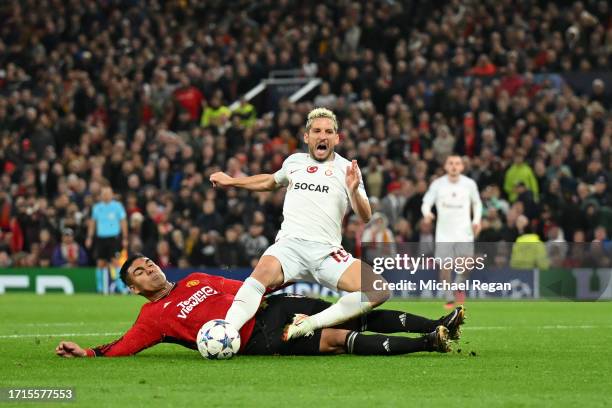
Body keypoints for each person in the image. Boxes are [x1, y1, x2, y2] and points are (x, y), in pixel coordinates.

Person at [55, 255, 465, 358]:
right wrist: (88, 352)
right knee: (340, 339)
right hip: (260, 337)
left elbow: (247, 286)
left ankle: (441, 321)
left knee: (354, 310)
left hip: (274, 307)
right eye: (140, 273)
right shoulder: (152, 319)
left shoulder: (196, 279)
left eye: (150, 263)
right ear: (133, 288)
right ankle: (429, 342)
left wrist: (280, 285)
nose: (151, 270)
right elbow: (124, 345)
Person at [210, 107, 389, 341]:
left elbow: (365, 215)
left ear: (337, 138)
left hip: (327, 252)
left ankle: (310, 323)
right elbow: (270, 181)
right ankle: (225, 332)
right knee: (258, 277)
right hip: (289, 247)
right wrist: (232, 181)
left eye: (328, 131)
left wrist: (354, 190)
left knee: (378, 289)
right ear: (307, 137)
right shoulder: (294, 161)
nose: (322, 136)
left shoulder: (348, 169)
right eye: (316, 131)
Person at [421, 155, 482, 309]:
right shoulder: (438, 184)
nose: (454, 166)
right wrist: (427, 213)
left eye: (457, 163)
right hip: (444, 233)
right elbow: (427, 201)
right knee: (445, 268)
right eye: (451, 163)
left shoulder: (469, 184)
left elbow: (477, 203)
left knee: (467, 264)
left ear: (462, 166)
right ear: (446, 166)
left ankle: (458, 284)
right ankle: (449, 298)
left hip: (464, 231)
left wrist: (476, 221)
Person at [85, 186, 128, 294]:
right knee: (100, 263)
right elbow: (92, 223)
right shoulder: (97, 207)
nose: (106, 195)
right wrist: (89, 237)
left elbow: (123, 222)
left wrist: (125, 237)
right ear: (101, 195)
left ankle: (121, 287)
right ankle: (100, 289)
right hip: (101, 239)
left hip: (113, 238)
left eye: (108, 193)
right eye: (104, 193)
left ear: (112, 194)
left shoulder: (117, 206)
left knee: (115, 262)